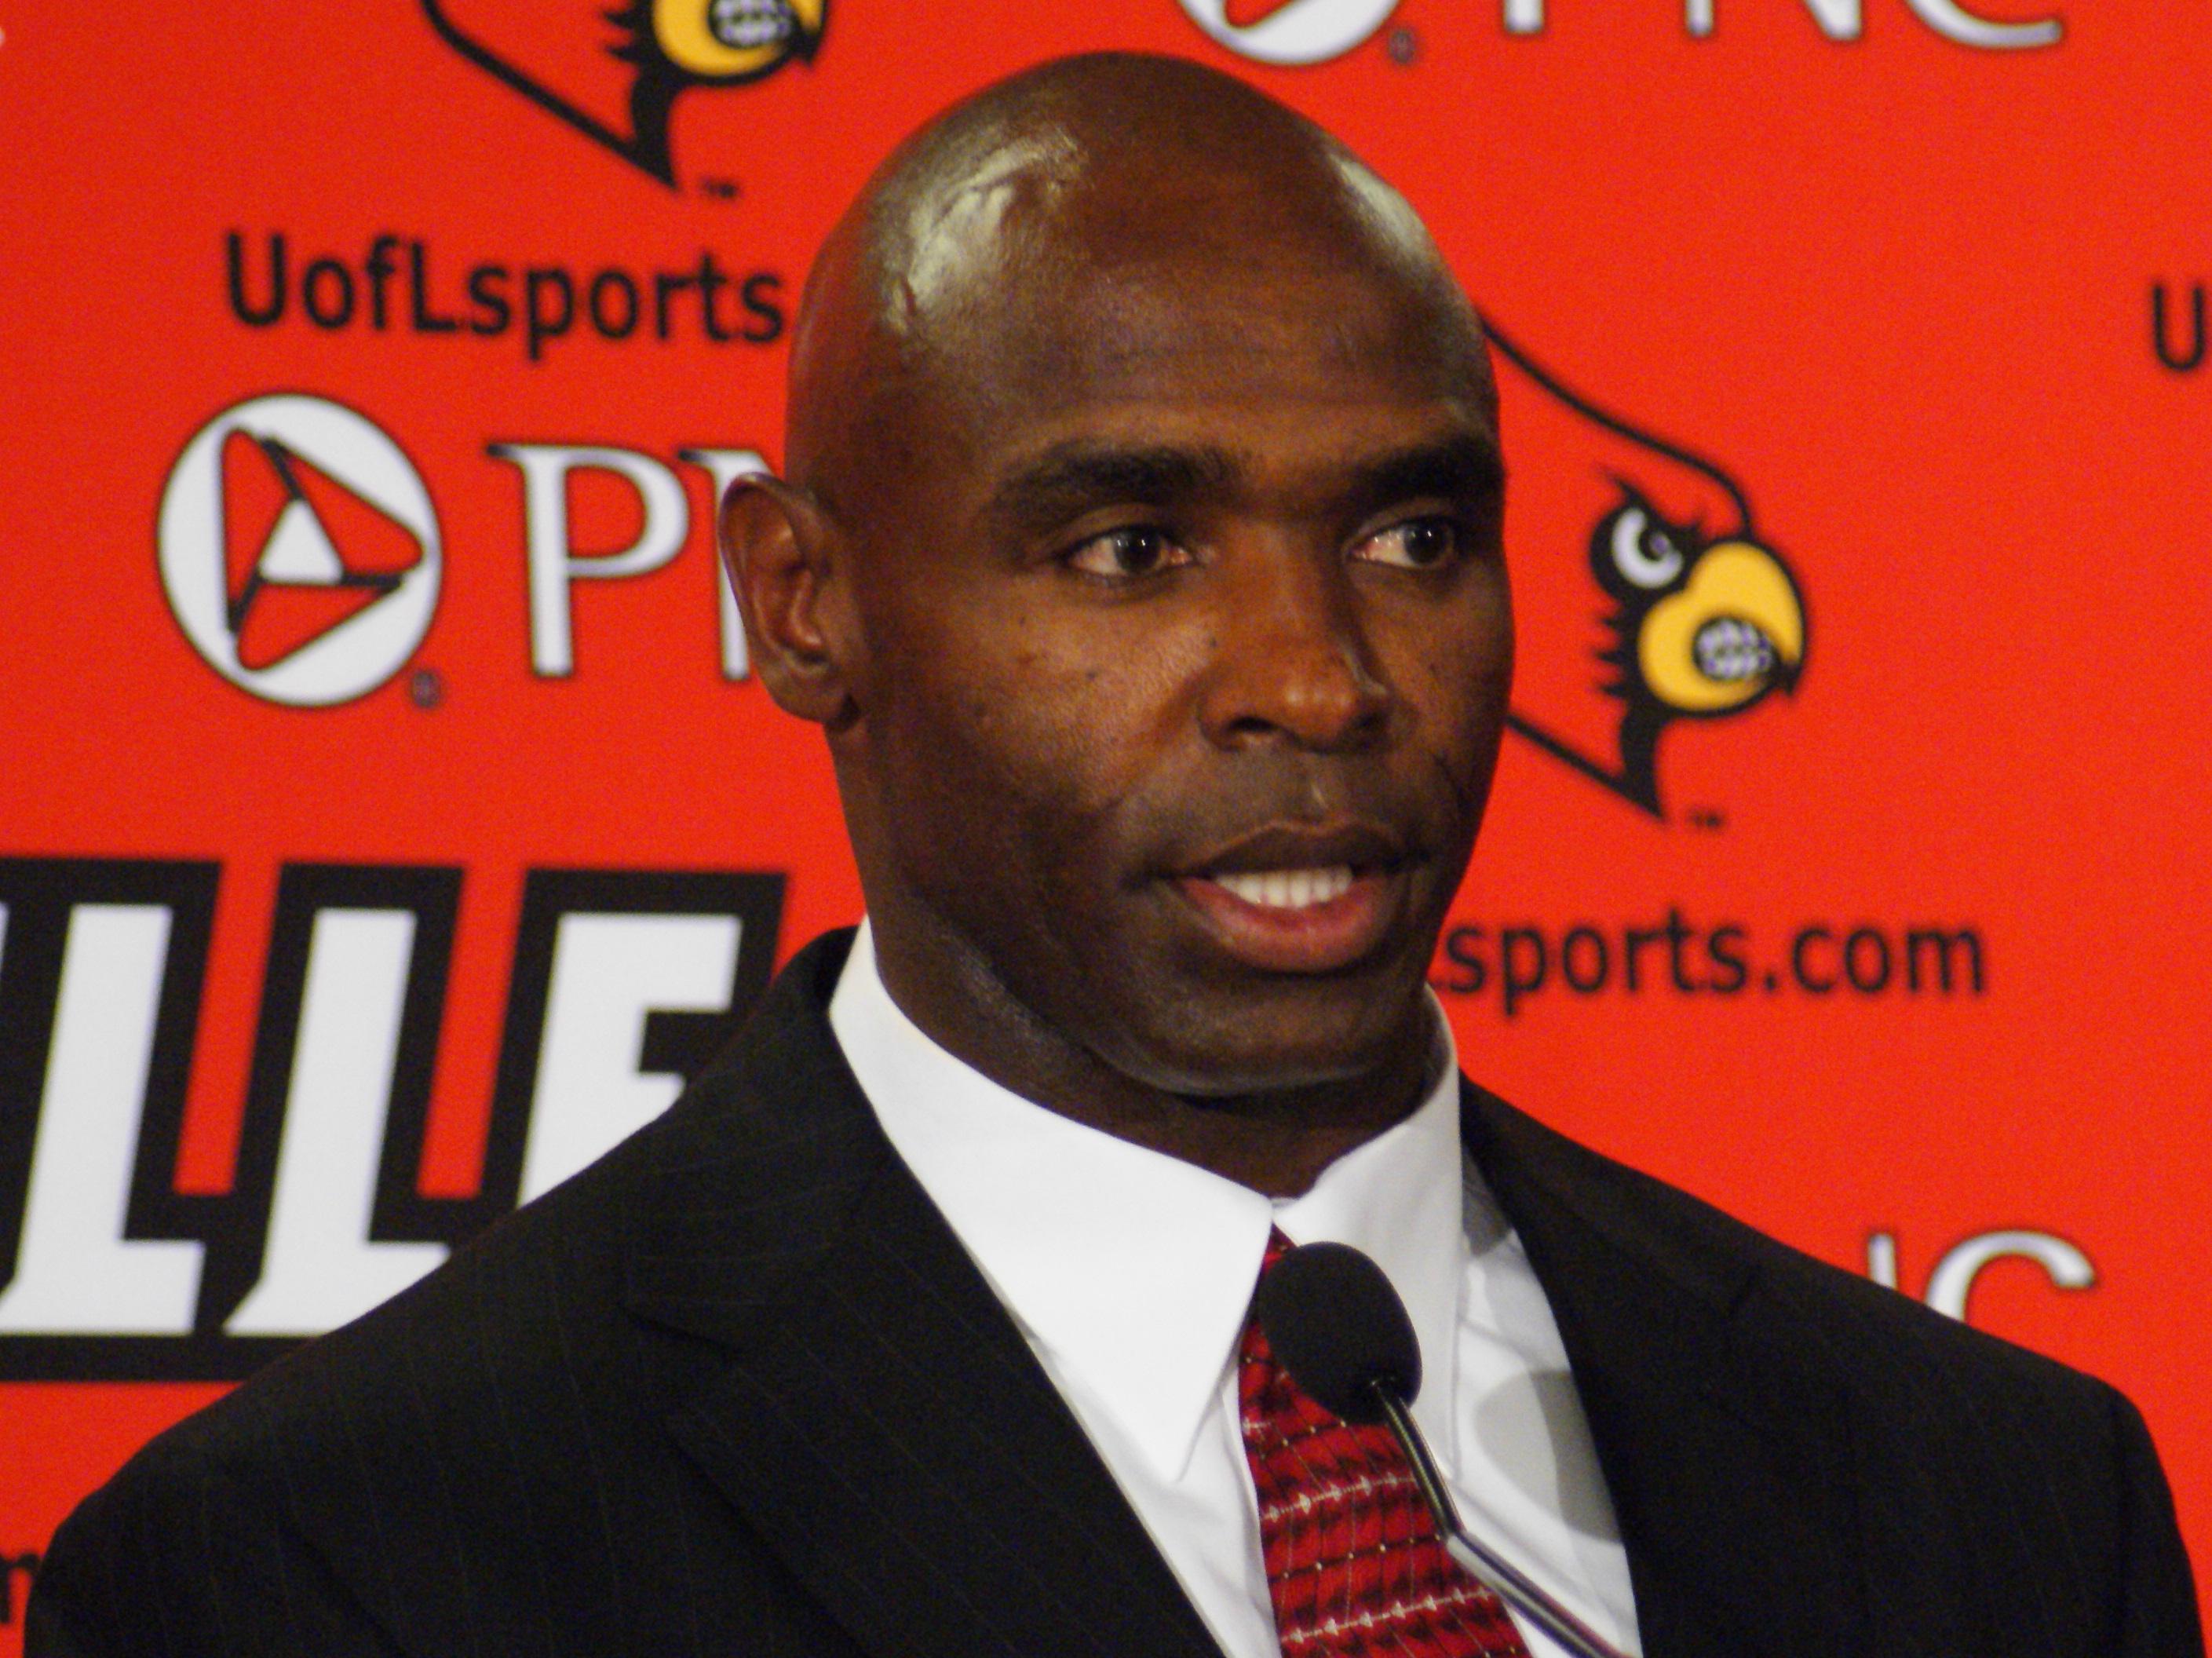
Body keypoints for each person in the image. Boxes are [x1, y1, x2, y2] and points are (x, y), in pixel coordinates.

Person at [28, 50, 2200, 1658]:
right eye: (1132, 547)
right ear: (805, 603)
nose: (1319, 681)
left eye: (1409, 536)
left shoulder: (1993, 1505)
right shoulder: (332, 1576)